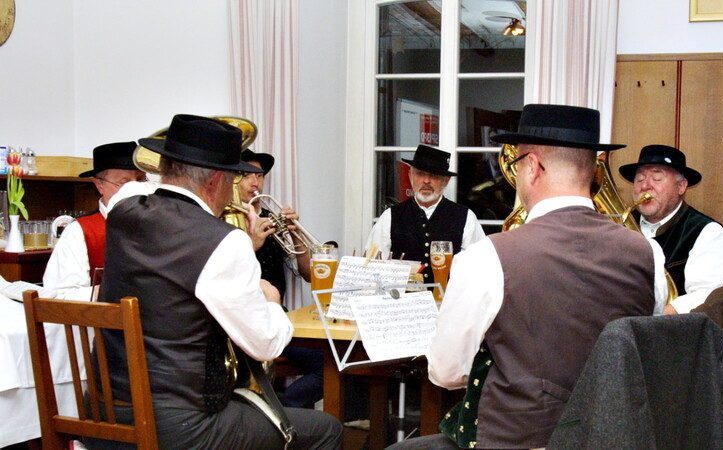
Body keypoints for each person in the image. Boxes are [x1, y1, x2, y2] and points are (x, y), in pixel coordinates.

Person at [389, 104, 668, 449]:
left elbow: (446, 373)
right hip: (612, 437)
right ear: (593, 171)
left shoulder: (487, 256)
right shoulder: (648, 253)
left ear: (533, 167)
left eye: (516, 165)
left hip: (519, 439)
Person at [96, 114, 341, 449]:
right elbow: (267, 344)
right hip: (180, 426)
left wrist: (179, 164)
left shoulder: (124, 208)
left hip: (103, 413)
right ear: (215, 180)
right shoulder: (224, 241)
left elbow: (140, 185)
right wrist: (270, 299)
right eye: (235, 176)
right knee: (326, 429)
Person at [239, 148, 323, 410]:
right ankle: (281, 413)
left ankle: (282, 410)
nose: (255, 182)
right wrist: (252, 243)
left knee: (329, 362)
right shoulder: (222, 219)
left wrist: (296, 234)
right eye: (246, 175)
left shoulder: (268, 217)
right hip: (242, 321)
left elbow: (310, 275)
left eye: (260, 175)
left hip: (277, 316)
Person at [619, 144, 723, 314]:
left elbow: (708, 296)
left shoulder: (707, 232)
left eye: (657, 179)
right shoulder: (619, 228)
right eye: (639, 179)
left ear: (681, 187)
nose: (645, 186)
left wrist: (649, 319)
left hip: (679, 336)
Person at [364, 144, 485, 281]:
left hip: (447, 300)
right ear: (410, 175)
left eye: (433, 175)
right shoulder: (390, 216)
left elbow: (477, 268)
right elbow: (373, 266)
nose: (426, 181)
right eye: (420, 174)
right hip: (402, 300)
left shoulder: (466, 217)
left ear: (446, 181)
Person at [42, 141, 145, 300]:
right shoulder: (80, 231)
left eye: (140, 180)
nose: (135, 189)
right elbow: (60, 297)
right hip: (103, 322)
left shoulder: (163, 225)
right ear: (99, 185)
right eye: (123, 183)